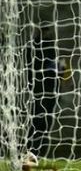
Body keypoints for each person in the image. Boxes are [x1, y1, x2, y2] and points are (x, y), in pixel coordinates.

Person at [27, 25, 60, 155]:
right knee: (39, 119)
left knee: (44, 120)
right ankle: (33, 149)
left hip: (49, 88)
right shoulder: (36, 47)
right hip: (40, 88)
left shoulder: (50, 47)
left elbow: (59, 67)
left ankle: (38, 150)